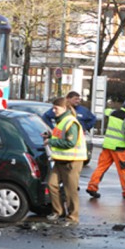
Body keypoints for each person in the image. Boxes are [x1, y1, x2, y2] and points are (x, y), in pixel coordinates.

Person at [44, 97, 87, 226]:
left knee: (70, 190)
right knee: (52, 185)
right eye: (53, 108)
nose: (53, 110)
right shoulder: (62, 121)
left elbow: (70, 142)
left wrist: (51, 141)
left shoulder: (70, 122)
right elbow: (60, 136)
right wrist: (50, 136)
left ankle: (73, 217)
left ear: (64, 108)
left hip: (72, 161)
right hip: (61, 160)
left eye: (56, 108)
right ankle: (58, 211)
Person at [86, 98, 125, 199]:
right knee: (124, 170)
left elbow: (106, 111)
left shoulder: (113, 113)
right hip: (120, 148)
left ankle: (92, 187)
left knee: (101, 167)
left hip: (107, 146)